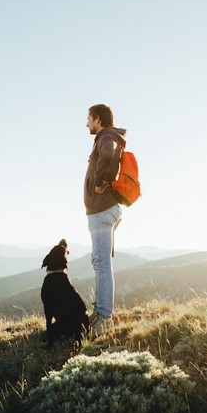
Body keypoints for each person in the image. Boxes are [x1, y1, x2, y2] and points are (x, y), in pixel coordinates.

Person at [83, 104, 125, 335]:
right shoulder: (107, 137)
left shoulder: (106, 137)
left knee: (102, 264)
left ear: (98, 119)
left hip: (102, 209)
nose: (86, 123)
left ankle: (104, 319)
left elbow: (108, 154)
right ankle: (100, 313)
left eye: (89, 118)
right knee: (100, 262)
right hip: (104, 210)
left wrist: (99, 182)